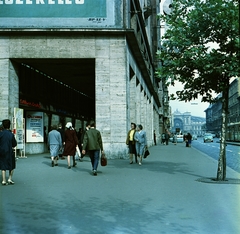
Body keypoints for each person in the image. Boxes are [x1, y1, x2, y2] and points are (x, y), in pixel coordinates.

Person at [0, 119, 17, 185]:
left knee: (3, 165)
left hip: (1, 151)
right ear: (9, 125)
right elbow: (14, 144)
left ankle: (4, 180)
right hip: (9, 152)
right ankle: (9, 179)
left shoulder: (0, 134)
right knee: (12, 165)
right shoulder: (11, 134)